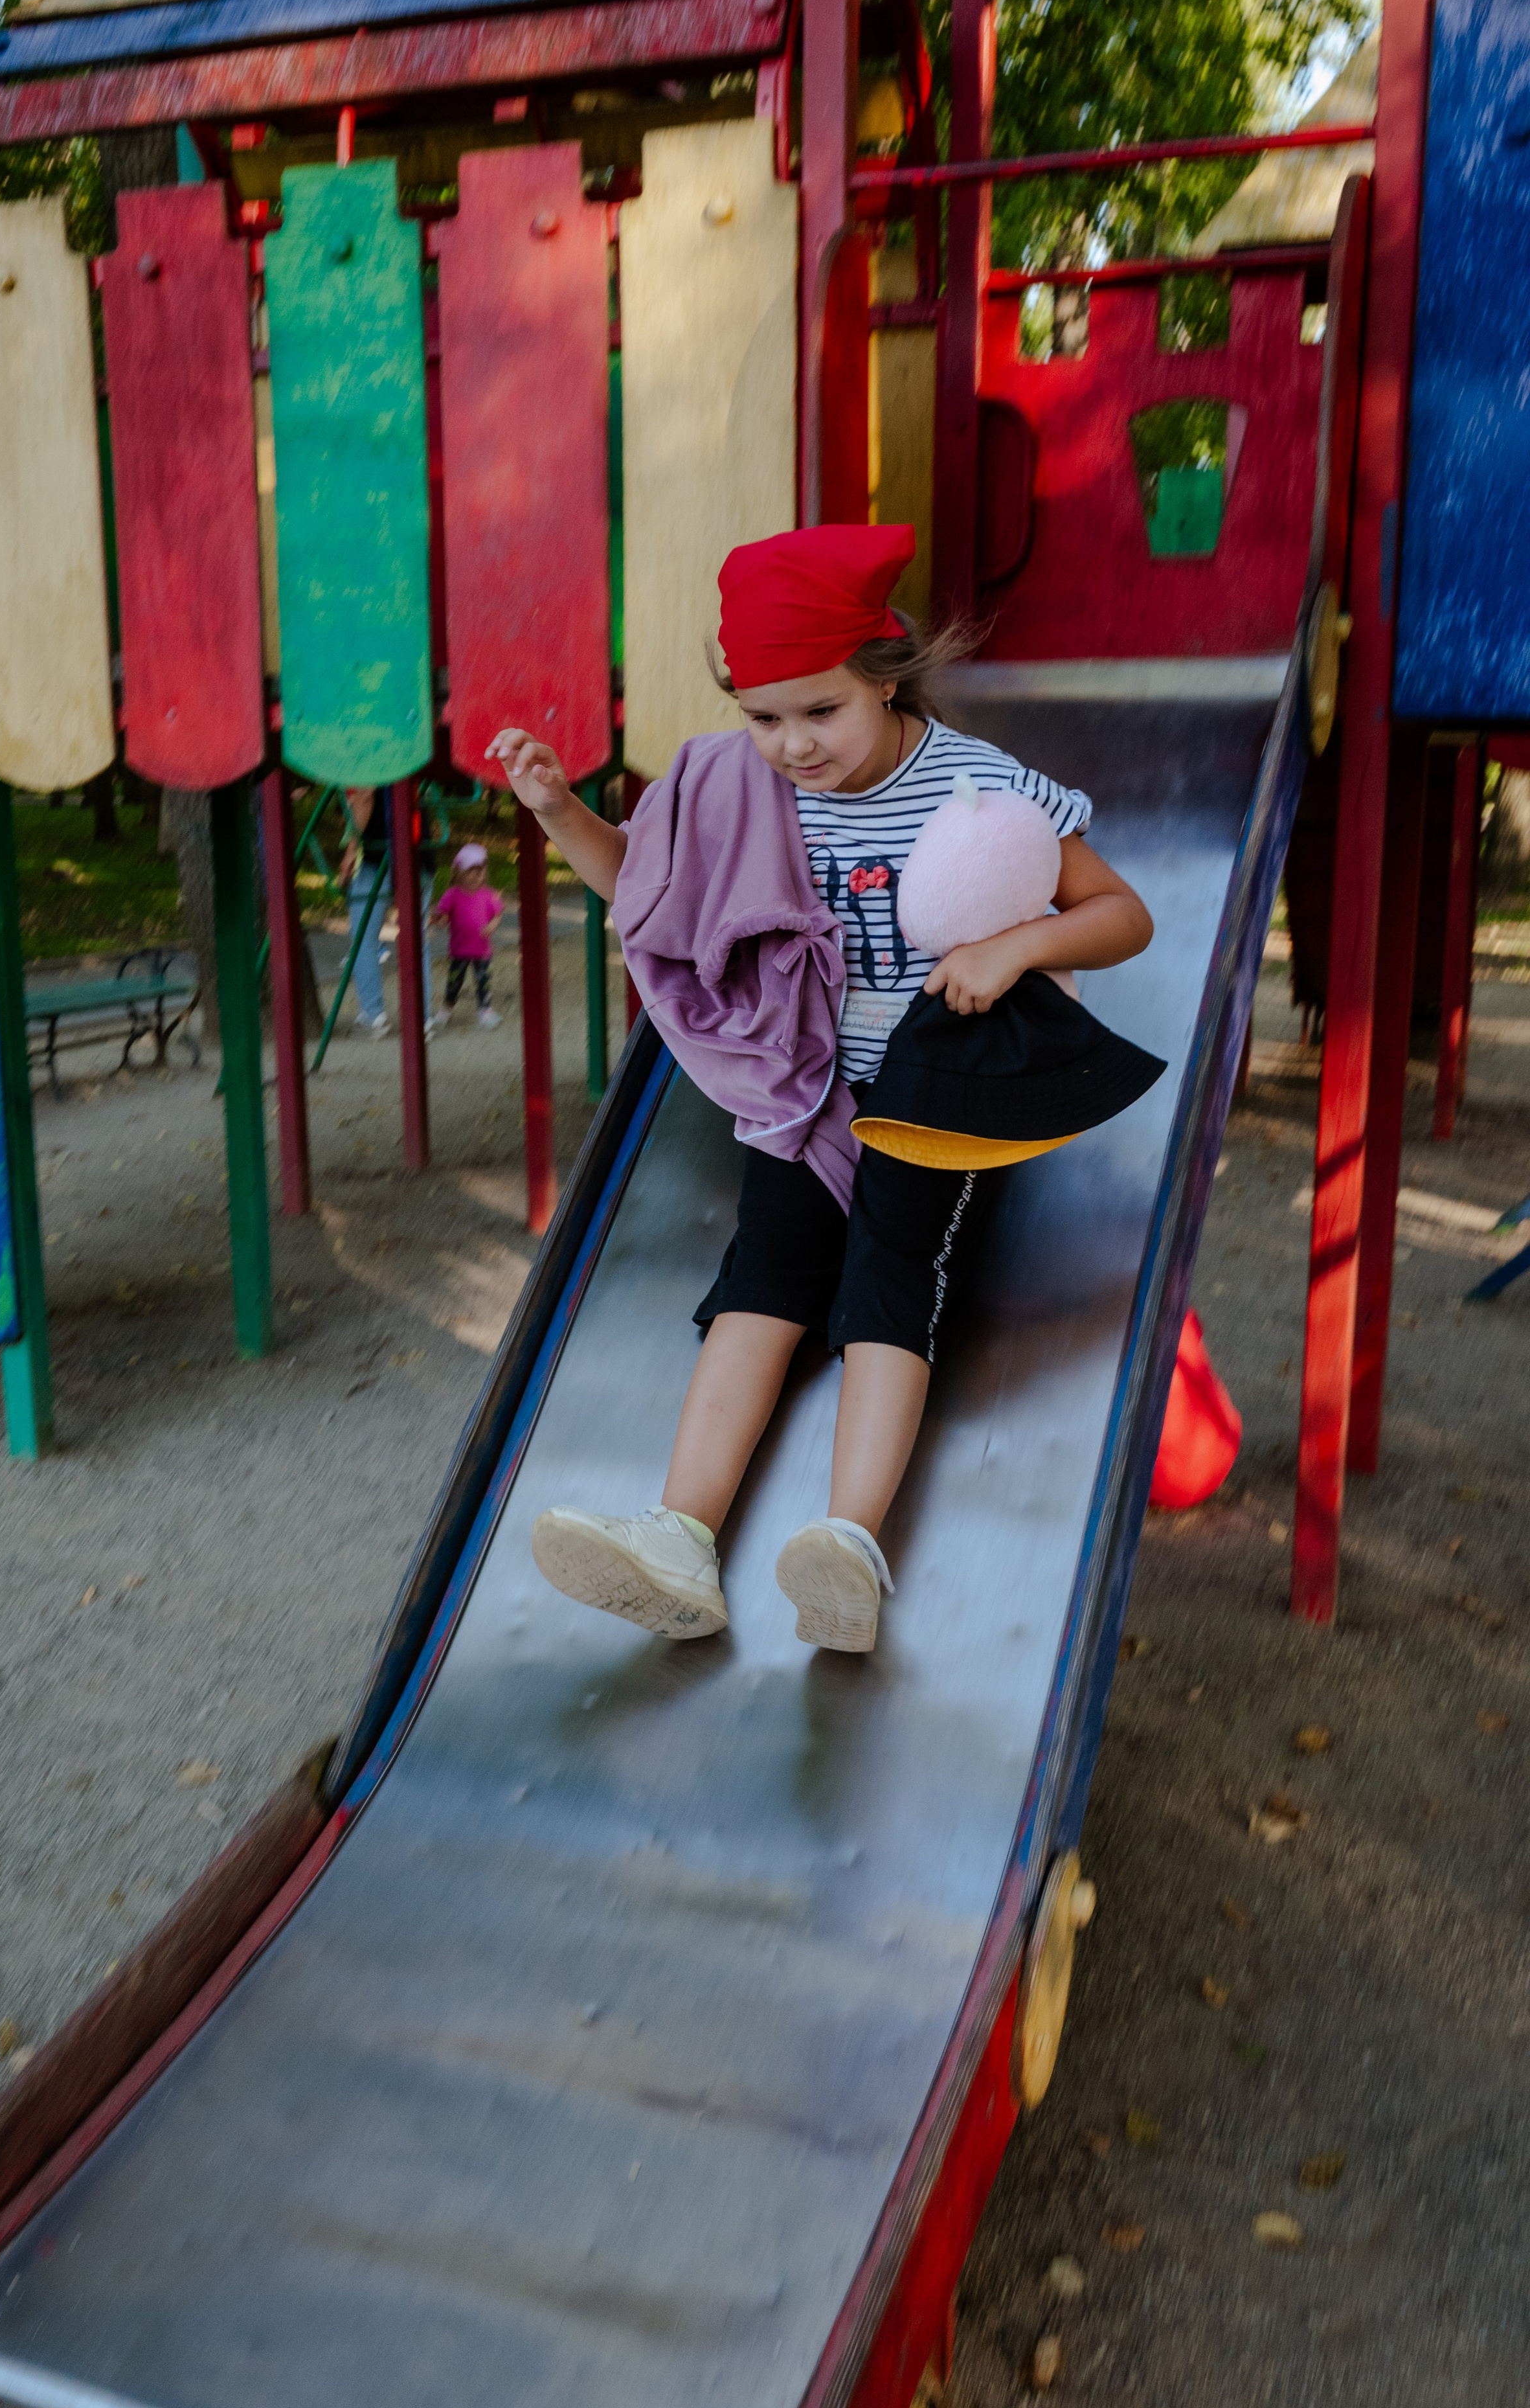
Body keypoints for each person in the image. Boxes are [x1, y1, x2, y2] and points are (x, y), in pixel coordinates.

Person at [486, 524, 1153, 1655]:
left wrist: (1015, 948)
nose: (793, 743)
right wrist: (561, 813)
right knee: (764, 1272)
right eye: (764, 717)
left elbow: (1122, 916)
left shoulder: (978, 785)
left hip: (941, 1081)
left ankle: (849, 1542)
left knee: (890, 1269)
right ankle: (681, 1536)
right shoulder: (738, 787)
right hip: (807, 1085)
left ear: (884, 678)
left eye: (821, 711)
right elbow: (648, 896)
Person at [336, 787, 392, 1038]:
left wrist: (350, 852)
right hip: (398, 851)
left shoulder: (371, 768)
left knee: (362, 940)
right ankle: (422, 1017)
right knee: (368, 938)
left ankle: (373, 1014)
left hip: (374, 857)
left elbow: (366, 795)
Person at [431, 843, 504, 1030]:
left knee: (483, 981)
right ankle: (446, 1009)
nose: (477, 875)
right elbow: (443, 919)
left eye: (481, 871)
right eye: (472, 870)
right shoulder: (452, 895)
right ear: (459, 872)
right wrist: (438, 920)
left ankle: (485, 1010)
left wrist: (492, 925)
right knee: (454, 981)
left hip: (482, 951)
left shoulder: (489, 895)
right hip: (459, 950)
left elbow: (498, 914)